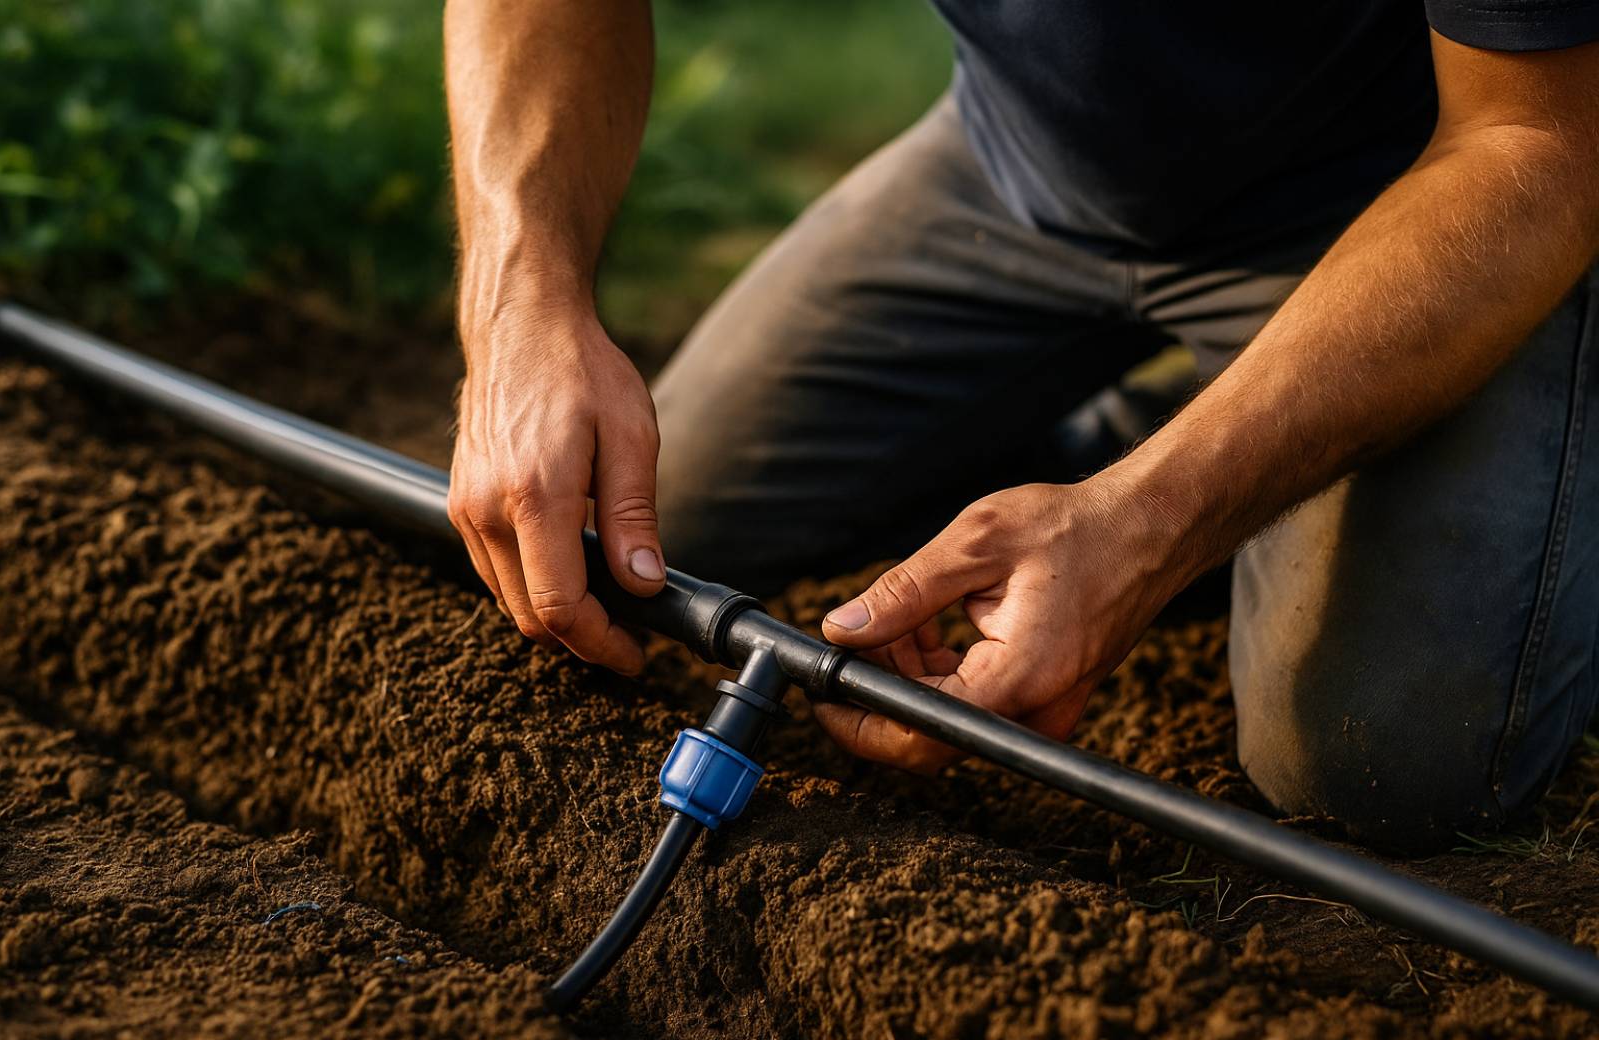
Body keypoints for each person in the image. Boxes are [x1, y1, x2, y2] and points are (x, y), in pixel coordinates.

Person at [442, 0, 1599, 850]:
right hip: (1022, 169)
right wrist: (520, 309)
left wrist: (1145, 520)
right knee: (626, 521)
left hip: (1415, 201)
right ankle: (1153, 429)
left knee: (1371, 762)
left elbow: (1537, 140)